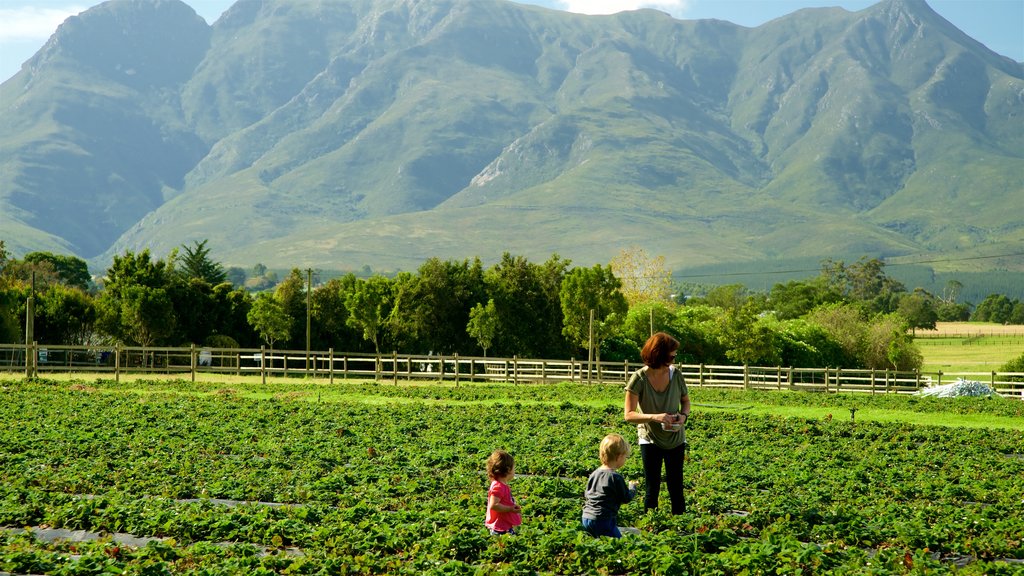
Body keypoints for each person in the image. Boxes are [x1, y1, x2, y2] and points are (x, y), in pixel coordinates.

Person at [624, 332, 691, 514]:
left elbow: (686, 402)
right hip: (649, 438)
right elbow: (628, 415)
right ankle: (651, 528)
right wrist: (655, 417)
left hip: (676, 437)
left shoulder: (676, 374)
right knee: (652, 488)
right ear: (659, 354)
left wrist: (683, 417)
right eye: (671, 354)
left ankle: (680, 528)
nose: (674, 358)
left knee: (676, 486)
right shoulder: (639, 378)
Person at [581, 433, 638, 538]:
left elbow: (587, 493)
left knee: (596, 545)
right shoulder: (615, 477)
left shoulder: (594, 473)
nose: (625, 459)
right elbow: (626, 498)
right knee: (617, 544)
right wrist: (632, 488)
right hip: (603, 519)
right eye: (625, 457)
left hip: (586, 516)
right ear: (618, 457)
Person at [484, 449, 522, 535]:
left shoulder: (500, 485)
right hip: (500, 528)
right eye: (514, 468)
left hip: (504, 525)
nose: (514, 471)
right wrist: (510, 508)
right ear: (508, 470)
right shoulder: (498, 486)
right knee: (504, 546)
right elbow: (494, 505)